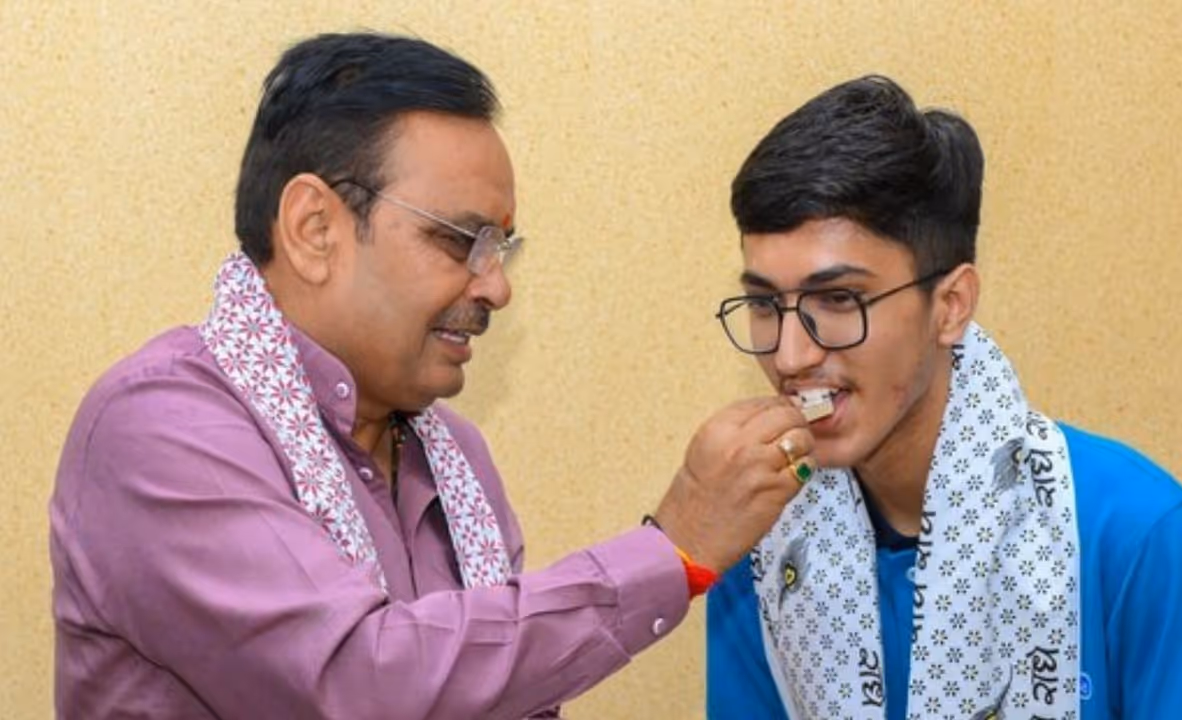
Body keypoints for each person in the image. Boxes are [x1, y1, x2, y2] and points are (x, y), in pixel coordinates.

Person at [49, 32, 817, 719]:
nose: (496, 287)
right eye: (461, 241)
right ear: (314, 229)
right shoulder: (161, 428)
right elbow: (357, 684)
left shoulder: (454, 461)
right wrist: (670, 551)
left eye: (501, 249)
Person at [705, 76, 1182, 719]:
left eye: (840, 299)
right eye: (766, 304)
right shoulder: (762, 546)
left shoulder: (1135, 532)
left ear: (951, 305)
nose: (791, 356)